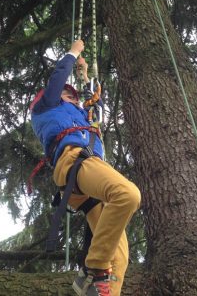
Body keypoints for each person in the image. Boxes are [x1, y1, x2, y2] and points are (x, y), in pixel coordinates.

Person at [30, 40, 141, 296]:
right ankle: (94, 266)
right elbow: (57, 80)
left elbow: (94, 103)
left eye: (73, 95)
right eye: (68, 95)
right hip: (74, 162)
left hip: (89, 174)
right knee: (128, 195)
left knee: (120, 255)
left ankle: (103, 290)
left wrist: (84, 73)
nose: (72, 97)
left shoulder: (81, 116)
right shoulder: (45, 108)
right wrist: (74, 52)